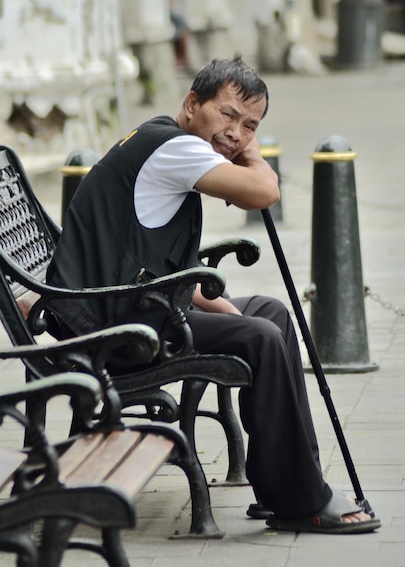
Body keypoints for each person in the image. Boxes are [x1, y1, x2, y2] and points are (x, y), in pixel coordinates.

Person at [46, 55, 381, 534]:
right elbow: (263, 192)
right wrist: (255, 155)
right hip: (116, 330)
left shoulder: (163, 141)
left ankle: (280, 485)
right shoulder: (175, 148)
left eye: (250, 125)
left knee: (271, 314)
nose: (236, 133)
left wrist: (228, 310)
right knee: (261, 337)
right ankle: (301, 502)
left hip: (133, 307)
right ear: (191, 103)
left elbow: (162, 265)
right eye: (228, 114)